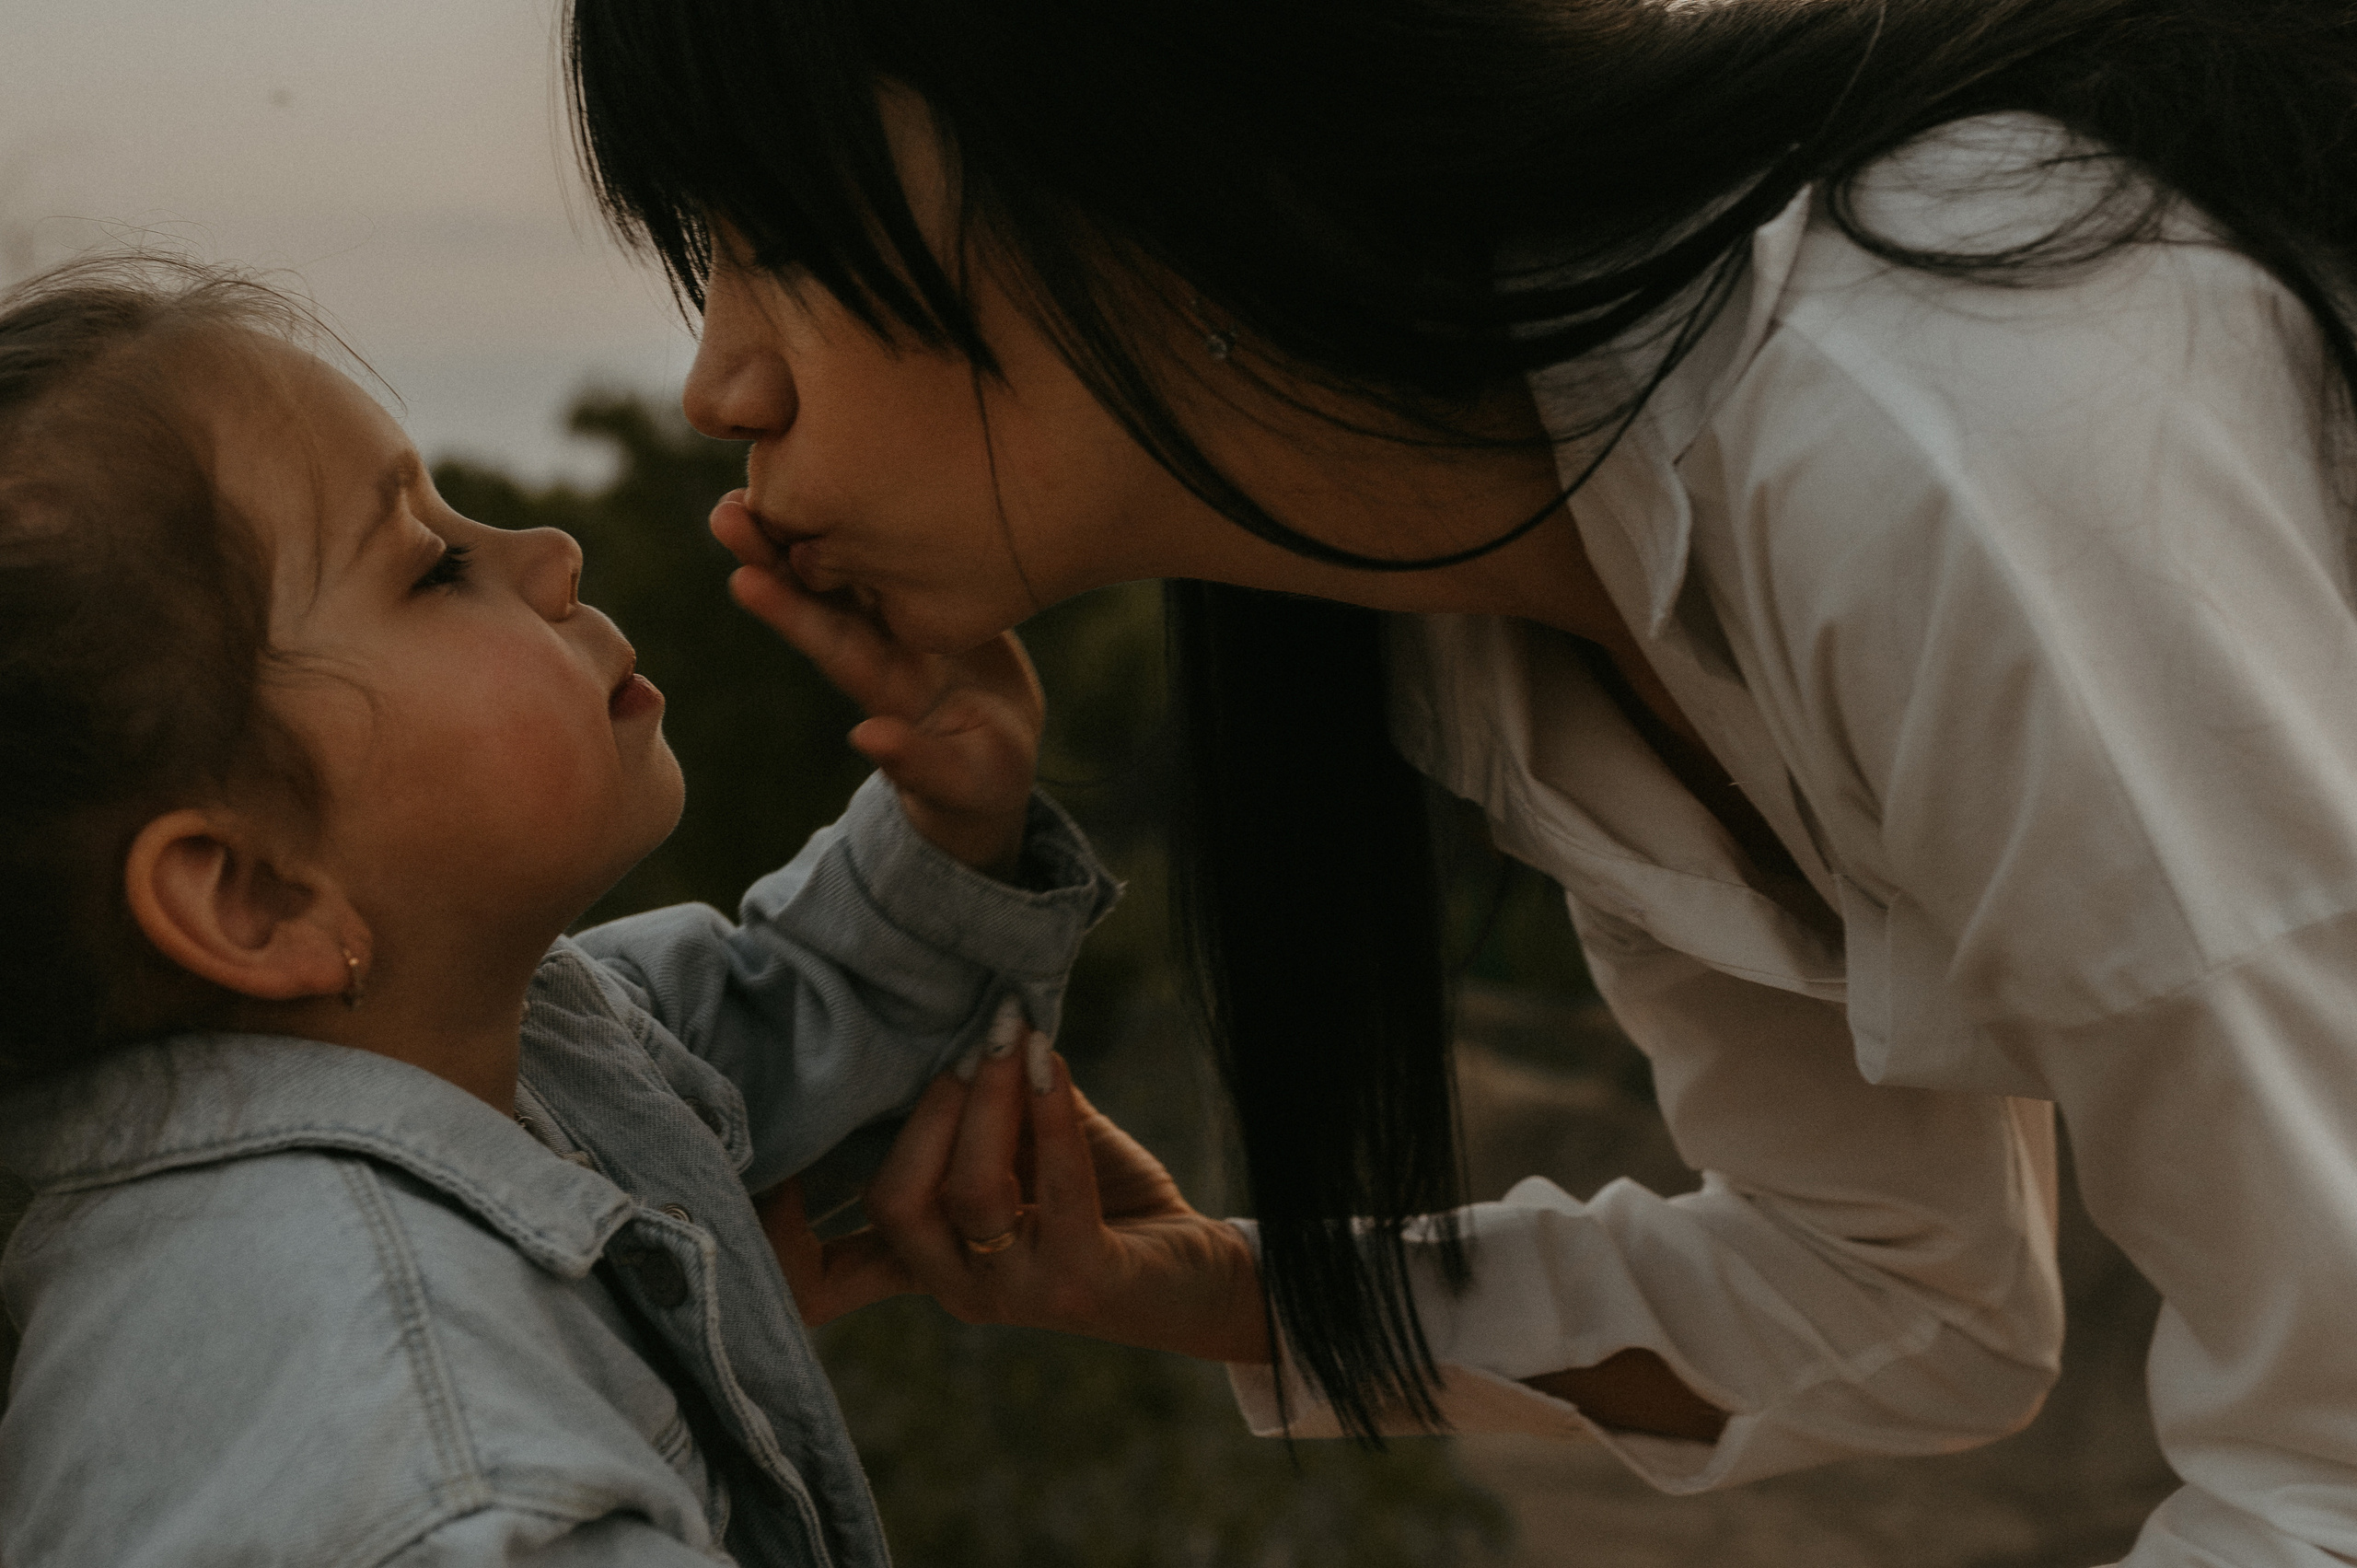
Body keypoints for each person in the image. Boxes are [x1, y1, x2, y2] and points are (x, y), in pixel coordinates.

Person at [566, 0, 2357, 1561]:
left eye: (763, 231)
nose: (718, 379)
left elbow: (2329, 1471)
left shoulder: (1917, 455)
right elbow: (1904, 1306)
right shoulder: (1499, 604)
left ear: (1112, 133)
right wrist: (1199, 1285)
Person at [0, 256, 1117, 1566]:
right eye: (429, 569)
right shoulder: (437, 1465)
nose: (547, 549)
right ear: (253, 897)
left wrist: (951, 822)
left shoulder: (518, 1036)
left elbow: (806, 1020)